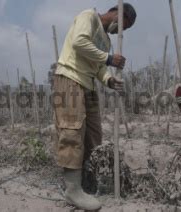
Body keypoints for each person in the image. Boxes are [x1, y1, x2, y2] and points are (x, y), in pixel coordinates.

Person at [52, 3, 136, 211]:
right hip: (70, 77)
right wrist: (108, 58)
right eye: (125, 25)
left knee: (93, 134)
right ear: (117, 13)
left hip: (88, 85)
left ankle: (86, 179)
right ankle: (72, 189)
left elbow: (98, 68)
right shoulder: (89, 16)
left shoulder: (106, 40)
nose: (121, 31)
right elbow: (80, 43)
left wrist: (108, 79)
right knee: (72, 131)